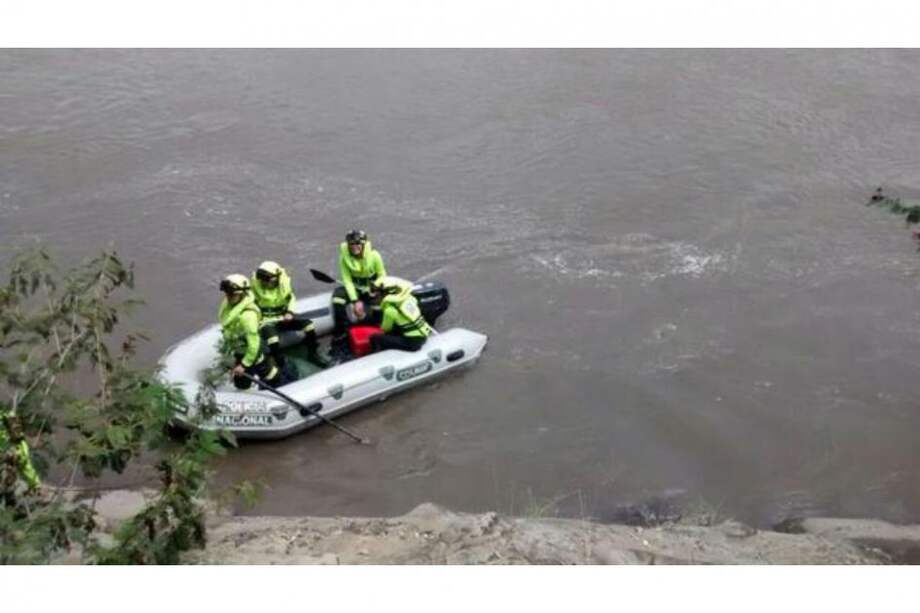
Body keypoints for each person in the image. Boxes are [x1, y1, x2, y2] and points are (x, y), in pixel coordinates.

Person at [250, 261, 326, 368]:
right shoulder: (254, 288)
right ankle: (280, 365)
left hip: (284, 317)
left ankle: (313, 354)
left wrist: (289, 312)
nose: (265, 282)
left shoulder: (284, 285)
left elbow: (291, 299)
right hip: (267, 321)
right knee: (273, 340)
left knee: (309, 325)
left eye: (267, 279)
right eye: (262, 280)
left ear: (276, 277)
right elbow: (249, 306)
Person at [218, 274, 286, 390]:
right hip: (239, 349)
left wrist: (244, 364)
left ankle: (282, 383)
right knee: (241, 382)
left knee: (269, 374)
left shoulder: (248, 316)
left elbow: (254, 344)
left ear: (242, 294)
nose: (228, 297)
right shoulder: (229, 307)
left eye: (232, 294)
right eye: (227, 293)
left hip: (252, 352)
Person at [331, 229, 387, 352]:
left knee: (379, 307)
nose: (354, 247)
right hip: (355, 289)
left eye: (357, 244)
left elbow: (382, 275)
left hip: (372, 289)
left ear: (363, 244)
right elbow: (347, 280)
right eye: (351, 244)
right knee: (337, 299)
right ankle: (342, 331)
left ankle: (377, 329)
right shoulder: (344, 258)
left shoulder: (374, 255)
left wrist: (375, 288)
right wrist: (355, 300)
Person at [368, 276, 432, 353]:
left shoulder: (390, 310)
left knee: (375, 338)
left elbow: (385, 329)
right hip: (423, 335)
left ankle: (379, 357)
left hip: (412, 343)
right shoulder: (410, 299)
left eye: (379, 292)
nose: (377, 295)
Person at [1, 409, 41, 496]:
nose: (17, 430)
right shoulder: (3, 436)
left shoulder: (21, 444)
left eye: (19, 427)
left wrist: (35, 484)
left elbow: (26, 465)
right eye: (14, 426)